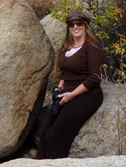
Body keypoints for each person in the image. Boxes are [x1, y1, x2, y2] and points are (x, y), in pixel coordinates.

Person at [36, 11, 105, 159]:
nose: (75, 26)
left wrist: (71, 95)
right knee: (45, 130)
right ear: (68, 27)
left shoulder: (93, 46)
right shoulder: (68, 46)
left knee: (57, 134)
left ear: (85, 25)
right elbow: (65, 73)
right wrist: (60, 87)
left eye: (79, 23)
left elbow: (94, 78)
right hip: (66, 93)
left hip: (87, 95)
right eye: (71, 24)